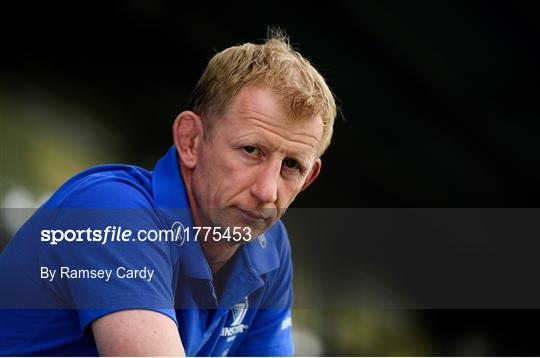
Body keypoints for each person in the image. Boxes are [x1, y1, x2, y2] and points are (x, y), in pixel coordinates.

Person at [0, 30, 336, 356]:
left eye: (291, 166)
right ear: (191, 141)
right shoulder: (112, 213)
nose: (266, 191)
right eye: (250, 150)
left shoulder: (269, 250)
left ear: (308, 179)